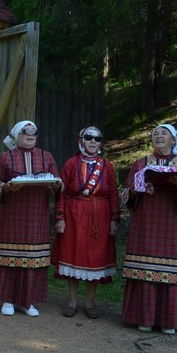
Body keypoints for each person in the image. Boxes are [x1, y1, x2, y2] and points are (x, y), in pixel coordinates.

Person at [121, 124, 177, 335]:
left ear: (173, 140)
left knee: (170, 271)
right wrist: (138, 189)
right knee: (145, 268)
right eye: (154, 134)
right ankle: (145, 319)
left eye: (163, 133)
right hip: (146, 224)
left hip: (173, 224)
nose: (158, 136)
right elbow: (125, 196)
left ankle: (169, 322)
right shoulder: (140, 164)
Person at [0, 120, 61, 317]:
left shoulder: (47, 157)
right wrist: (9, 188)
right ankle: (8, 299)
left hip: (38, 215)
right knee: (10, 256)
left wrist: (56, 185)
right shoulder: (6, 157)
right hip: (13, 214)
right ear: (16, 135)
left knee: (32, 257)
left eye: (34, 132)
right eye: (25, 132)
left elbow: (57, 183)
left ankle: (27, 301)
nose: (30, 135)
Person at [52, 126, 120, 319]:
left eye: (97, 138)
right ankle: (72, 303)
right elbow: (61, 193)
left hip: (100, 217)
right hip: (74, 216)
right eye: (88, 137)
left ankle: (90, 304)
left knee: (95, 258)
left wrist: (115, 219)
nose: (93, 141)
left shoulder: (107, 166)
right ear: (81, 141)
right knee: (73, 256)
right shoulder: (71, 164)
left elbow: (114, 193)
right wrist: (60, 217)